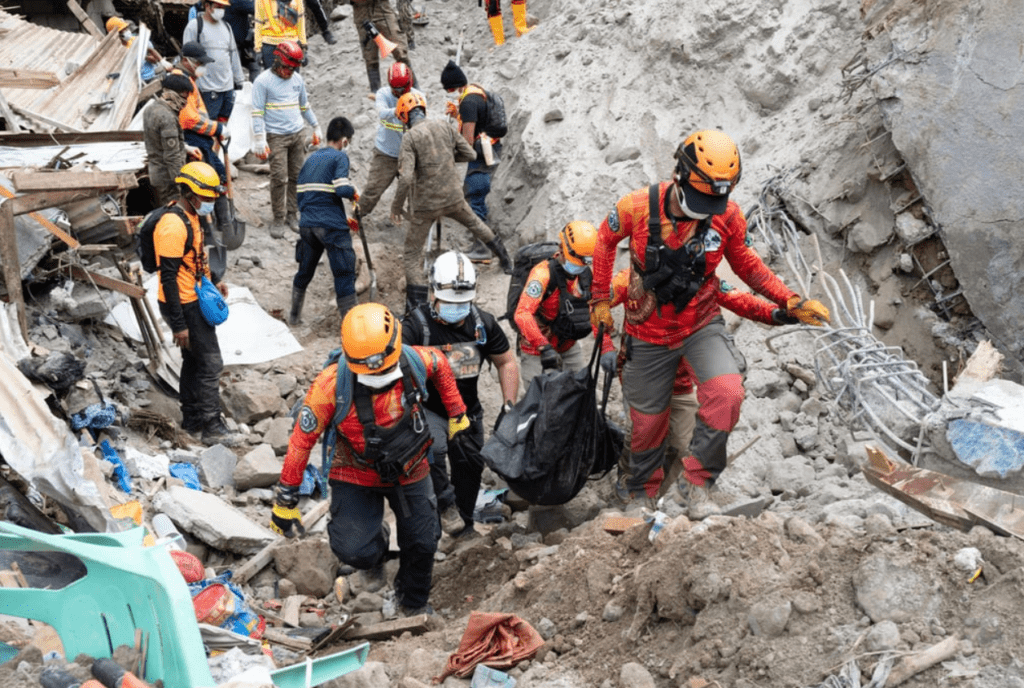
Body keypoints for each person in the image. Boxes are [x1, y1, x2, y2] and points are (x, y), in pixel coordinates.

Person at [589, 130, 830, 517]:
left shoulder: (727, 215)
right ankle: (639, 492)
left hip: (700, 324)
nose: (706, 208)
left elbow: (747, 266)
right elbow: (603, 242)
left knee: (727, 392)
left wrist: (789, 300)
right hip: (647, 333)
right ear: (679, 175)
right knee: (648, 424)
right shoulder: (635, 207)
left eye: (715, 200)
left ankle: (695, 485)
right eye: (701, 198)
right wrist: (600, 300)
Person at [272, 302, 472, 616]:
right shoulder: (328, 387)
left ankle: (413, 602)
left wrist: (457, 412)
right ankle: (375, 553)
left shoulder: (413, 359)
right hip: (355, 468)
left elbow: (442, 366)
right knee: (354, 550)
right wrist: (286, 499)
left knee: (423, 540)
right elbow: (301, 442)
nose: (380, 377)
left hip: (411, 462)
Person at [402, 251, 519, 538]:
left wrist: (509, 405)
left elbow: (506, 361)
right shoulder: (417, 326)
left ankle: (463, 526)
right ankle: (436, 516)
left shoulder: (483, 324)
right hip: (430, 408)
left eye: (462, 304)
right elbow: (397, 364)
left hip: (468, 410)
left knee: (470, 466)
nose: (456, 310)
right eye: (450, 303)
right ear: (433, 293)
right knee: (433, 452)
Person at [390, 91, 512, 313]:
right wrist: (445, 157)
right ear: (423, 110)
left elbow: (406, 177)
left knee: (411, 255)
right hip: (453, 197)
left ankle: (416, 309)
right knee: (475, 223)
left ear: (404, 117)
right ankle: (505, 261)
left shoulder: (410, 138)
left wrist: (397, 206)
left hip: (425, 205)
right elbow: (470, 153)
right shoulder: (444, 127)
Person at [154, 162, 235, 444]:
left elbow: (194, 260)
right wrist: (179, 325)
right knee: (212, 363)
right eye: (208, 198)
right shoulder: (172, 227)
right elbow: (168, 278)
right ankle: (212, 426)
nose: (211, 203)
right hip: (183, 304)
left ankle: (191, 419)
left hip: (192, 296)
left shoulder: (191, 217)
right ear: (191, 194)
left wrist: (212, 281)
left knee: (193, 361)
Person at [514, 220, 613, 387]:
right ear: (562, 249)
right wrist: (543, 347)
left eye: (585, 262)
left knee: (580, 391)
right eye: (577, 261)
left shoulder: (585, 275)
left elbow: (594, 308)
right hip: (537, 349)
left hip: (568, 344)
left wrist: (606, 347)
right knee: (540, 400)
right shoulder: (542, 274)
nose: (580, 266)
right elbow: (522, 314)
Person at [289, 116, 359, 325]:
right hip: (330, 226)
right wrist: (354, 191)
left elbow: (302, 193)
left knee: (305, 271)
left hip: (308, 225)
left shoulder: (310, 159)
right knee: (344, 271)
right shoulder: (339, 157)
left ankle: (294, 317)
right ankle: (351, 325)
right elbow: (340, 188)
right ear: (344, 140)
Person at [250, 41, 321, 238]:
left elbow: (304, 106)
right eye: (286, 67)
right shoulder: (262, 82)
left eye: (293, 68)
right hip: (276, 137)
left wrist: (316, 126)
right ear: (277, 60)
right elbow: (257, 112)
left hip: (298, 134)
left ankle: (292, 214)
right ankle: (278, 217)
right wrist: (259, 138)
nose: (289, 72)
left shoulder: (297, 80)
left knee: (297, 177)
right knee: (279, 178)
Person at [440, 61, 503, 264]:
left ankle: (482, 248)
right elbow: (477, 121)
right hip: (489, 149)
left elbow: (467, 141)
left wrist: (450, 154)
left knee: (475, 195)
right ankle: (484, 243)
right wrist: (457, 114)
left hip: (481, 154)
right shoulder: (475, 92)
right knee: (476, 195)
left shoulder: (468, 102)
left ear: (452, 86)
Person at [174, 42, 235, 237]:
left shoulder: (187, 78)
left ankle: (222, 224)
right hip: (194, 139)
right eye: (199, 62)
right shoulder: (179, 81)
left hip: (202, 139)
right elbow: (189, 118)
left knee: (219, 177)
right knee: (206, 181)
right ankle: (210, 227)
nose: (202, 66)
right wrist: (216, 128)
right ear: (185, 61)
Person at [354, 62, 420, 220]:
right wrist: (400, 108)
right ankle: (355, 219)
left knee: (416, 192)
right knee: (372, 190)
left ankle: (417, 224)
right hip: (386, 154)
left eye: (401, 89)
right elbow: (382, 113)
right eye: (394, 90)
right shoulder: (383, 94)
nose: (397, 93)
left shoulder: (419, 97)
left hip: (410, 155)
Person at [182, 0, 246, 125]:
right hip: (207, 87)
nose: (221, 10)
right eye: (218, 7)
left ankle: (222, 144)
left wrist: (239, 80)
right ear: (207, 6)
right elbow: (187, 56)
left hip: (227, 87)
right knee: (208, 123)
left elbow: (233, 54)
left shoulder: (226, 27)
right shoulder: (195, 26)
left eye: (223, 7)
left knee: (226, 123)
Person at [143, 74, 201, 205]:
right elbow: (172, 157)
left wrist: (185, 148)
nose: (185, 103)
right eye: (184, 97)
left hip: (157, 174)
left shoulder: (150, 108)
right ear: (173, 93)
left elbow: (157, 139)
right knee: (173, 213)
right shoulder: (167, 117)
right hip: (169, 178)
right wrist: (183, 183)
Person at [350, 0, 411, 92]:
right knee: (370, 58)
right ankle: (376, 93)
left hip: (383, 12)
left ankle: (413, 88)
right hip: (362, 15)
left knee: (400, 52)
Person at [106, 16, 169, 82]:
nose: (126, 31)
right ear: (116, 34)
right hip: (136, 81)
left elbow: (151, 51)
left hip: (150, 76)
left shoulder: (135, 40)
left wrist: (161, 61)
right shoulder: (116, 51)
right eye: (123, 30)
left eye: (126, 28)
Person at [254, 0, 307, 71]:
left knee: (272, 80)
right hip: (291, 43)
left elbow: (258, 23)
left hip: (269, 44)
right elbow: (300, 23)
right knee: (292, 79)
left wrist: (258, 49)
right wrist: (304, 47)